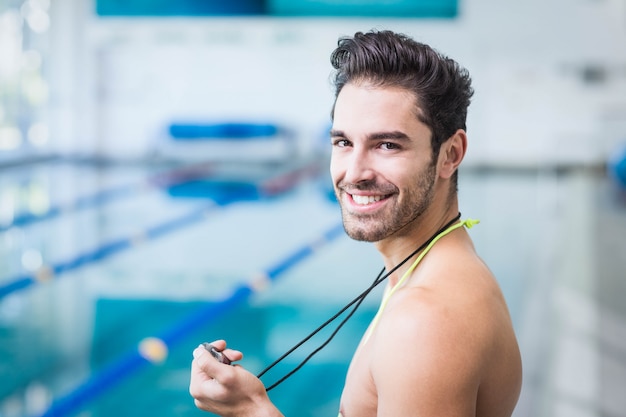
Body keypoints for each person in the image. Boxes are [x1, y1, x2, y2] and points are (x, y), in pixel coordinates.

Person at [189, 29, 522, 417]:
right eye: (344, 143)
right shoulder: (428, 271)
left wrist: (253, 411)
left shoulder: (425, 323)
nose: (355, 172)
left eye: (387, 145)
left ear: (451, 154)